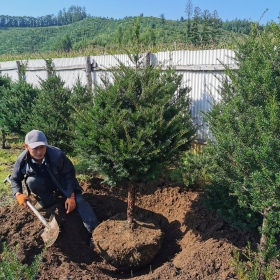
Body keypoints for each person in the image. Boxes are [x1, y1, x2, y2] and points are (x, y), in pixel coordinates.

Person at [10, 129, 99, 234]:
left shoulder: (57, 155)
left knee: (79, 201)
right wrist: (18, 194)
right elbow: (15, 178)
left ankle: (94, 231)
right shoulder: (22, 160)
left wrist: (71, 196)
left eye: (42, 147)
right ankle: (49, 201)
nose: (39, 152)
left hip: (63, 183)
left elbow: (69, 174)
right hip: (45, 184)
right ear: (26, 147)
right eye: (35, 148)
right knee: (32, 181)